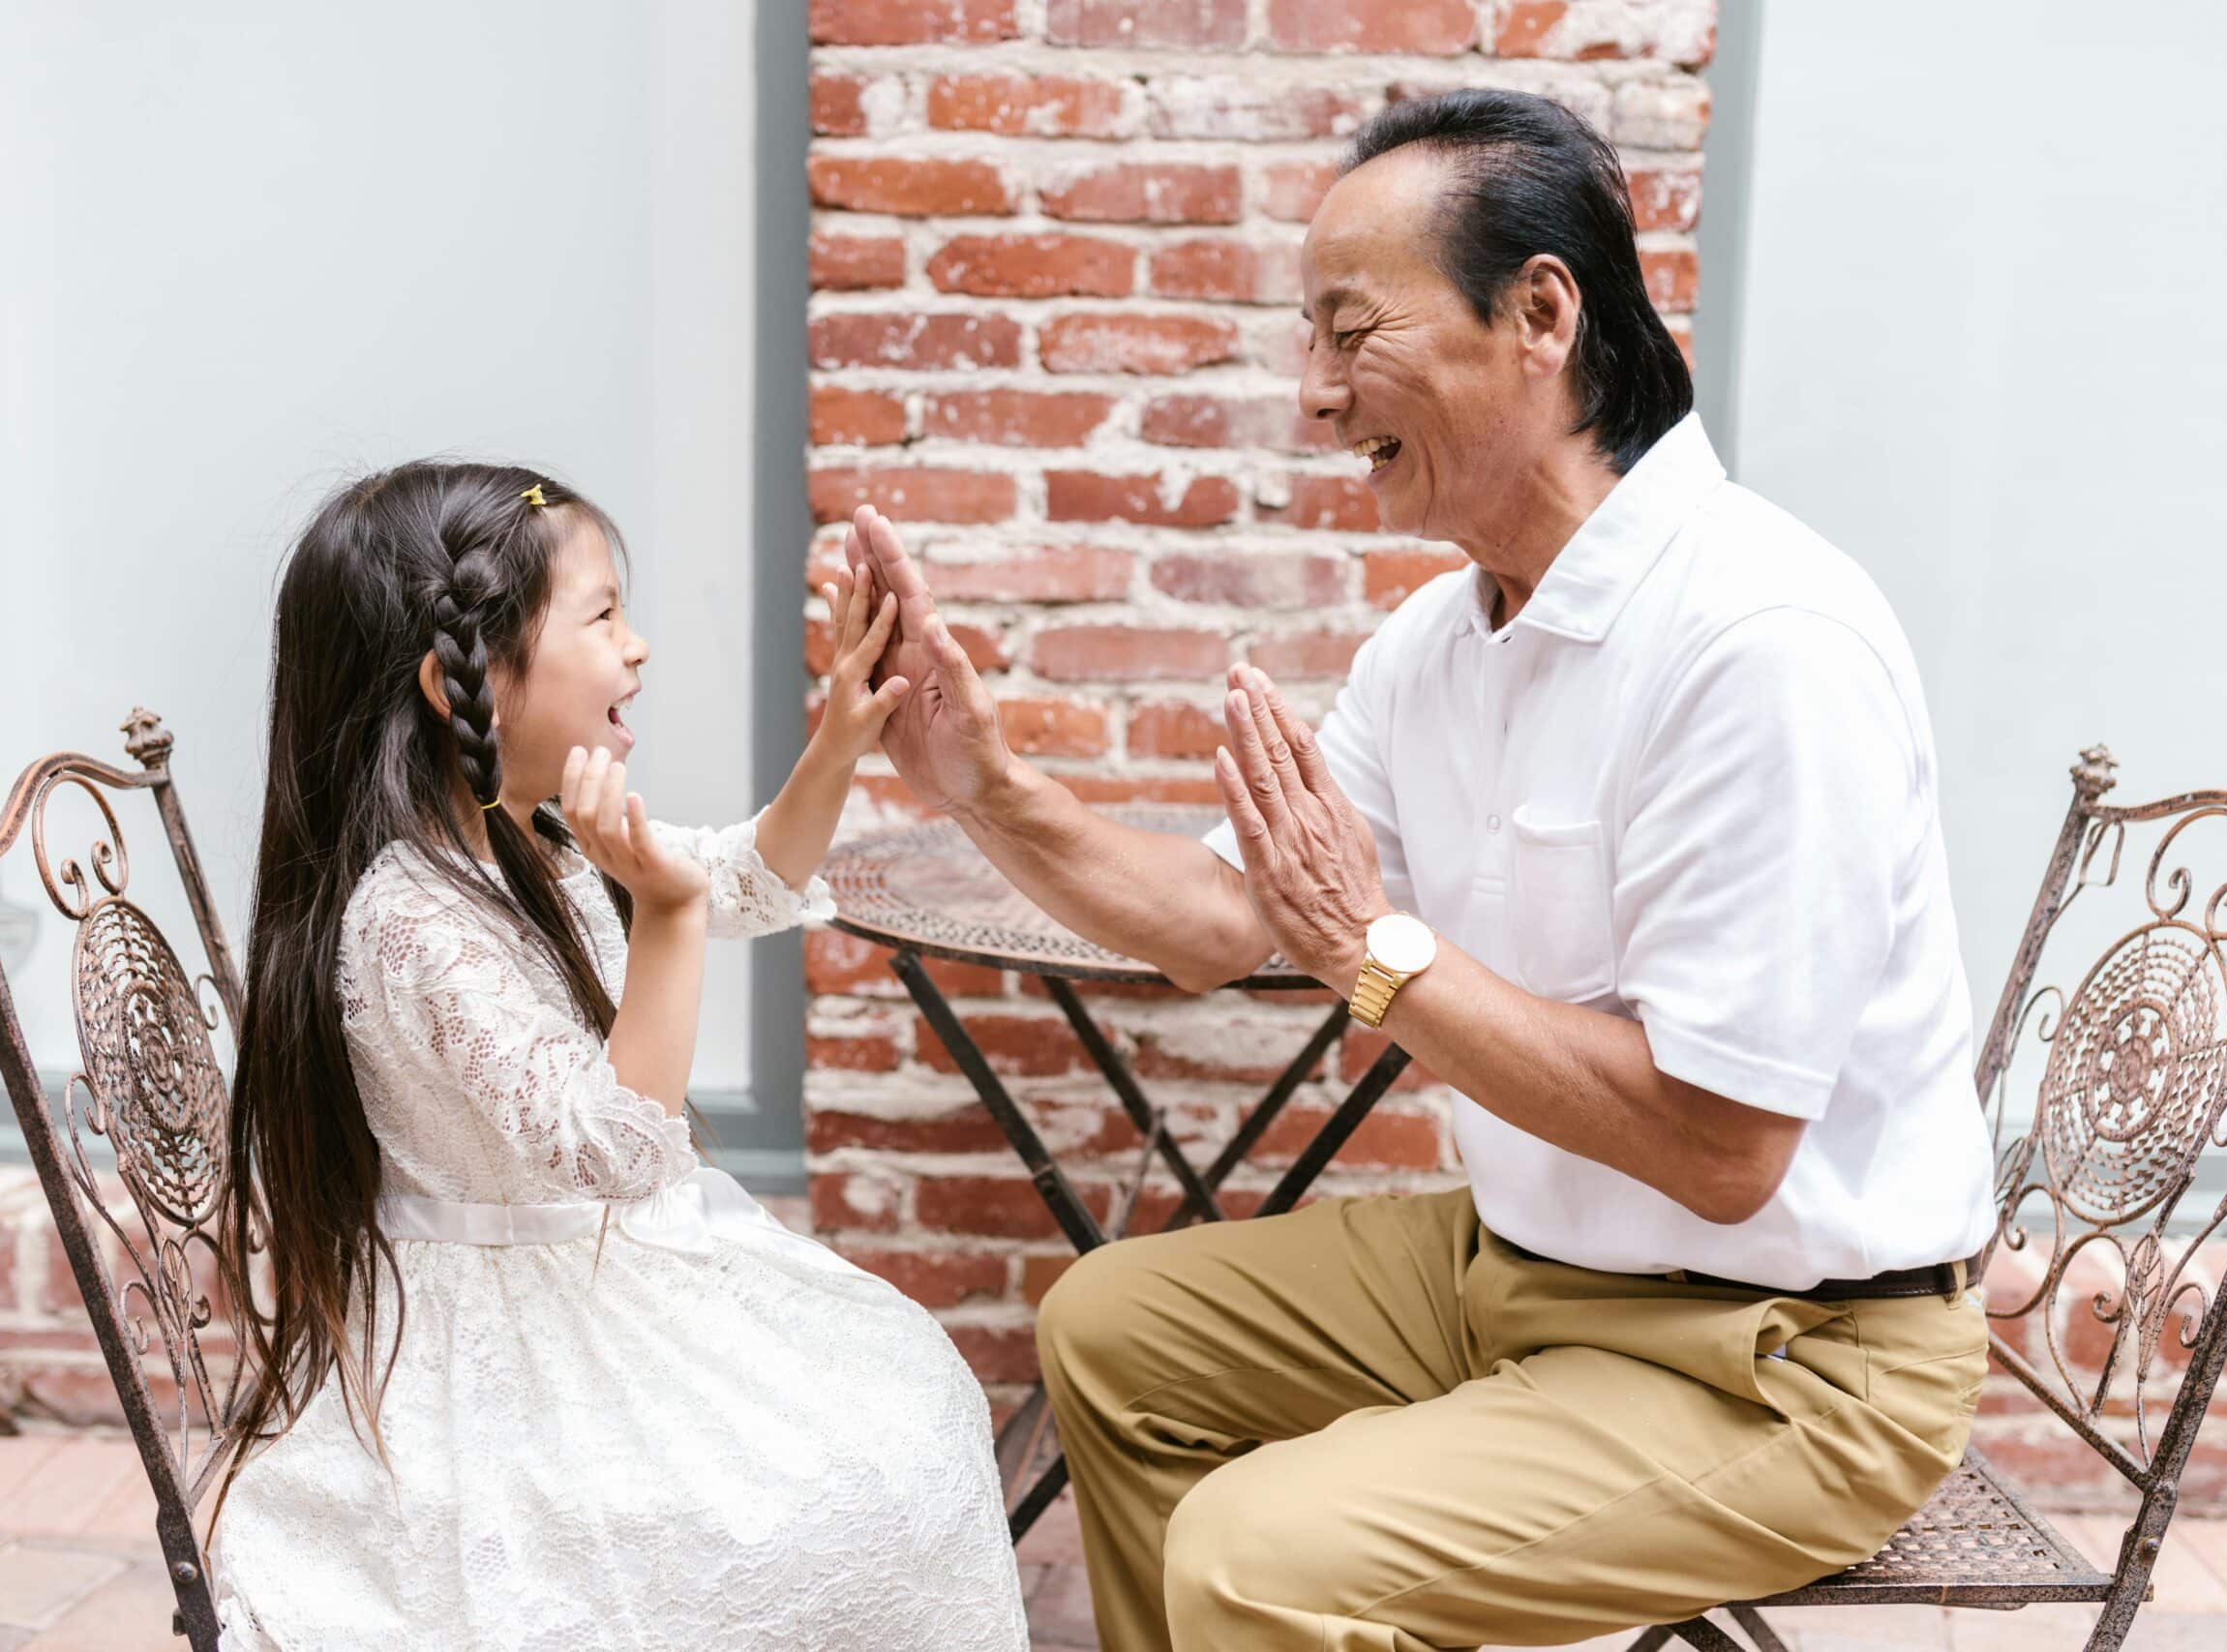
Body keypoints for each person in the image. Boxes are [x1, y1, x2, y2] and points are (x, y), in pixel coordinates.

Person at [841, 88, 1999, 1650]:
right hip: (1527, 1268)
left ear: (1539, 314)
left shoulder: (1761, 644)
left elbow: (1726, 1148)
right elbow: (1218, 922)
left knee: (1261, 1552)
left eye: (1347, 331)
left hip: (1787, 1356)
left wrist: (1379, 953)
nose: (1314, 395)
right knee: (1110, 1329)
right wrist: (985, 781)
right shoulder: (1442, 643)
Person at [209, 461, 1028, 1650]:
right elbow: (614, 1149)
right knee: (859, 1473)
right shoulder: (410, 920)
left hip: (584, 1279)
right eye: (602, 617)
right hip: (507, 1351)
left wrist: (839, 742)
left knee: (905, 1397)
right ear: (462, 684)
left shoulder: (517, 837)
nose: (638, 647)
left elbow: (736, 873)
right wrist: (666, 920)